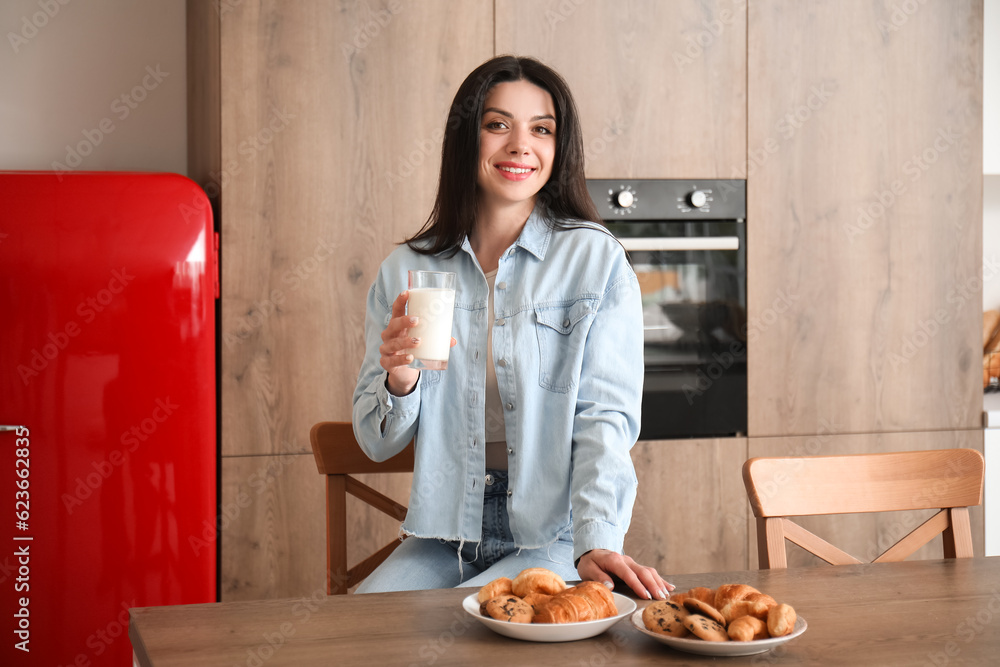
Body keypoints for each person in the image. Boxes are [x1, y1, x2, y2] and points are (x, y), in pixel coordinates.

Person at [352, 55, 672, 601]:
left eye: (541, 129)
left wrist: (598, 537)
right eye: (497, 124)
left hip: (552, 534)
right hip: (446, 533)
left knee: (480, 630)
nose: (521, 145)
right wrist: (399, 380)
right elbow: (375, 442)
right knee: (366, 628)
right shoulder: (407, 269)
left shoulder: (595, 260)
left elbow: (605, 420)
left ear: (557, 146)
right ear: (465, 140)